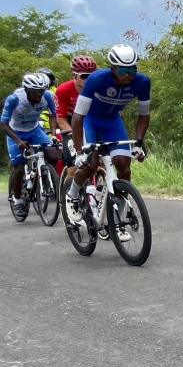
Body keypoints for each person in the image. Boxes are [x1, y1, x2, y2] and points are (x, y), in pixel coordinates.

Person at [64, 45, 151, 239]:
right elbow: (77, 117)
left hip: (112, 122)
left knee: (123, 165)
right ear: (112, 68)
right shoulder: (97, 79)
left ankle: (118, 220)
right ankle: (73, 193)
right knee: (91, 165)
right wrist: (79, 152)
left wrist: (138, 142)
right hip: (90, 121)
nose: (128, 74)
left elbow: (144, 115)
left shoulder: (143, 82)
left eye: (132, 69)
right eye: (122, 69)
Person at [2, 72, 58, 218]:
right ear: (26, 90)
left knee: (53, 155)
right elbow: (3, 123)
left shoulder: (47, 96)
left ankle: (42, 176)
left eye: (41, 91)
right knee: (19, 167)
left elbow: (53, 115)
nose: (39, 95)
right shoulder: (14, 99)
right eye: (35, 92)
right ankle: (18, 199)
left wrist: (53, 135)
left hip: (34, 130)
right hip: (16, 132)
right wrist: (18, 141)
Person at [56, 56, 97, 180]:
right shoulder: (63, 90)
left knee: (100, 160)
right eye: (84, 76)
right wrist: (75, 135)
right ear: (74, 75)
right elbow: (61, 119)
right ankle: (69, 194)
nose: (88, 80)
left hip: (89, 120)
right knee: (74, 167)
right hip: (69, 122)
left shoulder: (98, 88)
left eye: (92, 76)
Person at [35, 67, 58, 132]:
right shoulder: (31, 90)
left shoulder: (56, 90)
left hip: (54, 116)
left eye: (48, 79)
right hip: (38, 117)